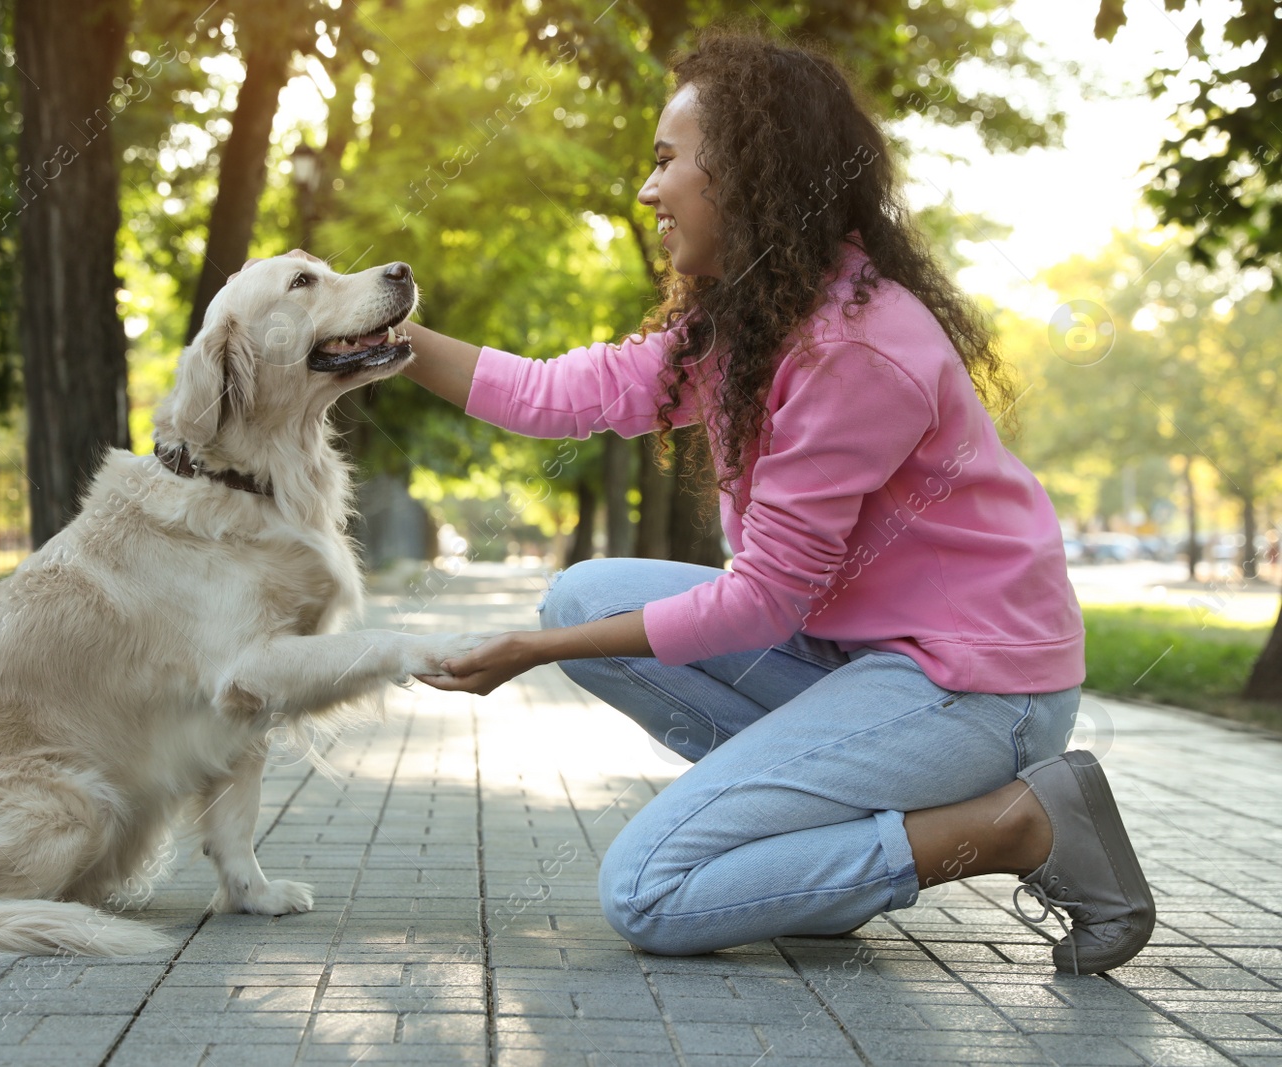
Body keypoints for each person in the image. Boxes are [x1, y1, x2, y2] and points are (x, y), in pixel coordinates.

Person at [403, 27, 1155, 974]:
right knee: (581, 594)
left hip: (973, 688)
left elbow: (762, 602)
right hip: (862, 656)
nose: (647, 191)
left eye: (667, 162)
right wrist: (373, 332)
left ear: (746, 176)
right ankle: (806, 853)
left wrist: (532, 656)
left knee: (650, 890)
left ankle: (1017, 825)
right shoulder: (755, 316)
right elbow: (553, 395)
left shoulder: (854, 349)